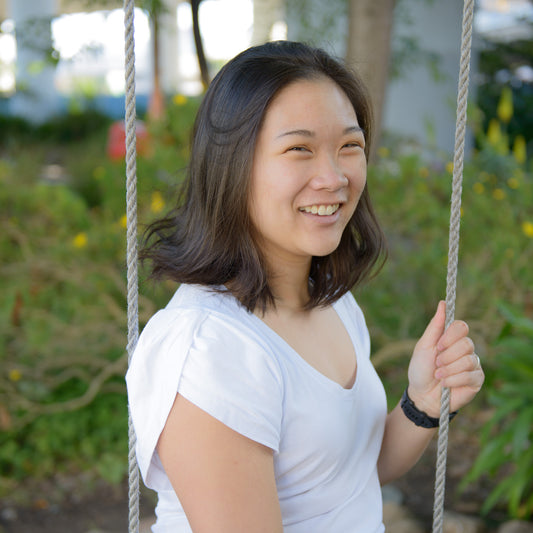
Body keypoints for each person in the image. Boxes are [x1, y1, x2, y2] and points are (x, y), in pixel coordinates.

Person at [126, 41, 484, 533]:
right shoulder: (208, 348)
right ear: (233, 165)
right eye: (299, 149)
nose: (334, 177)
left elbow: (347, 475)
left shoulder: (333, 303)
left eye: (349, 147)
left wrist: (421, 403)